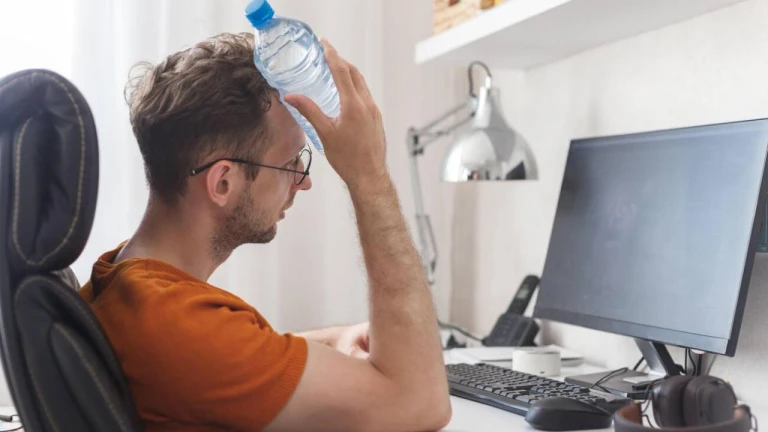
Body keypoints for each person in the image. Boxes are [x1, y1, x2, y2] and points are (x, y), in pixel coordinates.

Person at [79, 32, 451, 432]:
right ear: (223, 182)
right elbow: (420, 404)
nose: (303, 182)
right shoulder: (175, 326)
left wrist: (335, 341)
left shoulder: (126, 282)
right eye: (290, 163)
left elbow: (226, 352)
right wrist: (369, 176)